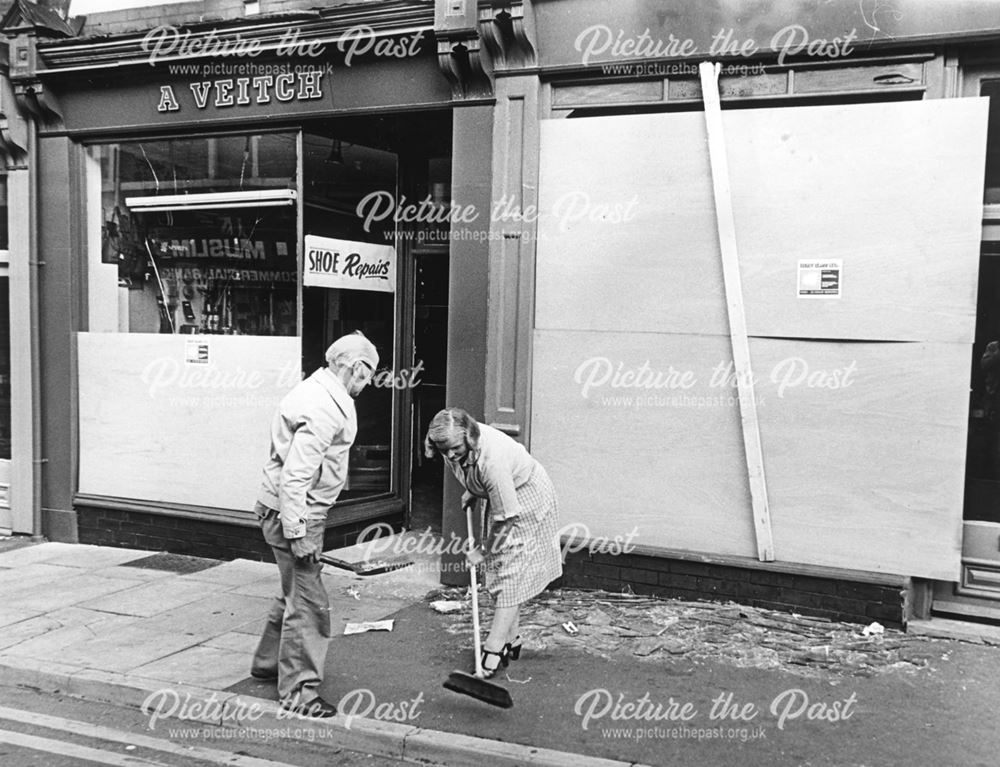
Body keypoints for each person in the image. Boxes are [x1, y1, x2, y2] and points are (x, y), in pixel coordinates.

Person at [251, 330, 378, 717]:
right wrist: (300, 533)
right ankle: (299, 693)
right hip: (295, 513)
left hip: (288, 509)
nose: (370, 381)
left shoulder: (321, 392)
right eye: (369, 373)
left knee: (295, 589)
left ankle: (268, 663)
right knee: (310, 604)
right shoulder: (323, 406)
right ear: (355, 367)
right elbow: (296, 476)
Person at [424, 408, 563, 678]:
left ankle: (493, 647)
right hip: (505, 497)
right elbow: (471, 471)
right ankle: (512, 638)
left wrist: (484, 551)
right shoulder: (454, 448)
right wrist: (472, 489)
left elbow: (507, 517)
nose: (450, 455)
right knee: (505, 571)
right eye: (443, 450)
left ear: (470, 438)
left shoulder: (492, 461)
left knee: (509, 572)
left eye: (454, 448)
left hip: (527, 498)